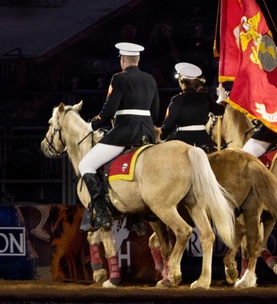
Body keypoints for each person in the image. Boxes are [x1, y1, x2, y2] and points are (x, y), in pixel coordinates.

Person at [78, 42, 159, 231]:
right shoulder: (151, 79)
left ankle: (102, 213)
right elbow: (155, 112)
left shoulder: (118, 78)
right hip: (147, 132)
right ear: (137, 60)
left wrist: (92, 125)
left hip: (125, 131)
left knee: (85, 165)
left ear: (123, 60)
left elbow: (109, 110)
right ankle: (137, 217)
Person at [160, 62, 224, 151]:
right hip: (203, 140)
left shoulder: (177, 100)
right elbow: (220, 110)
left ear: (181, 82)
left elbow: (169, 124)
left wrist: (162, 136)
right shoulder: (205, 97)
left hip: (182, 142)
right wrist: (223, 99)